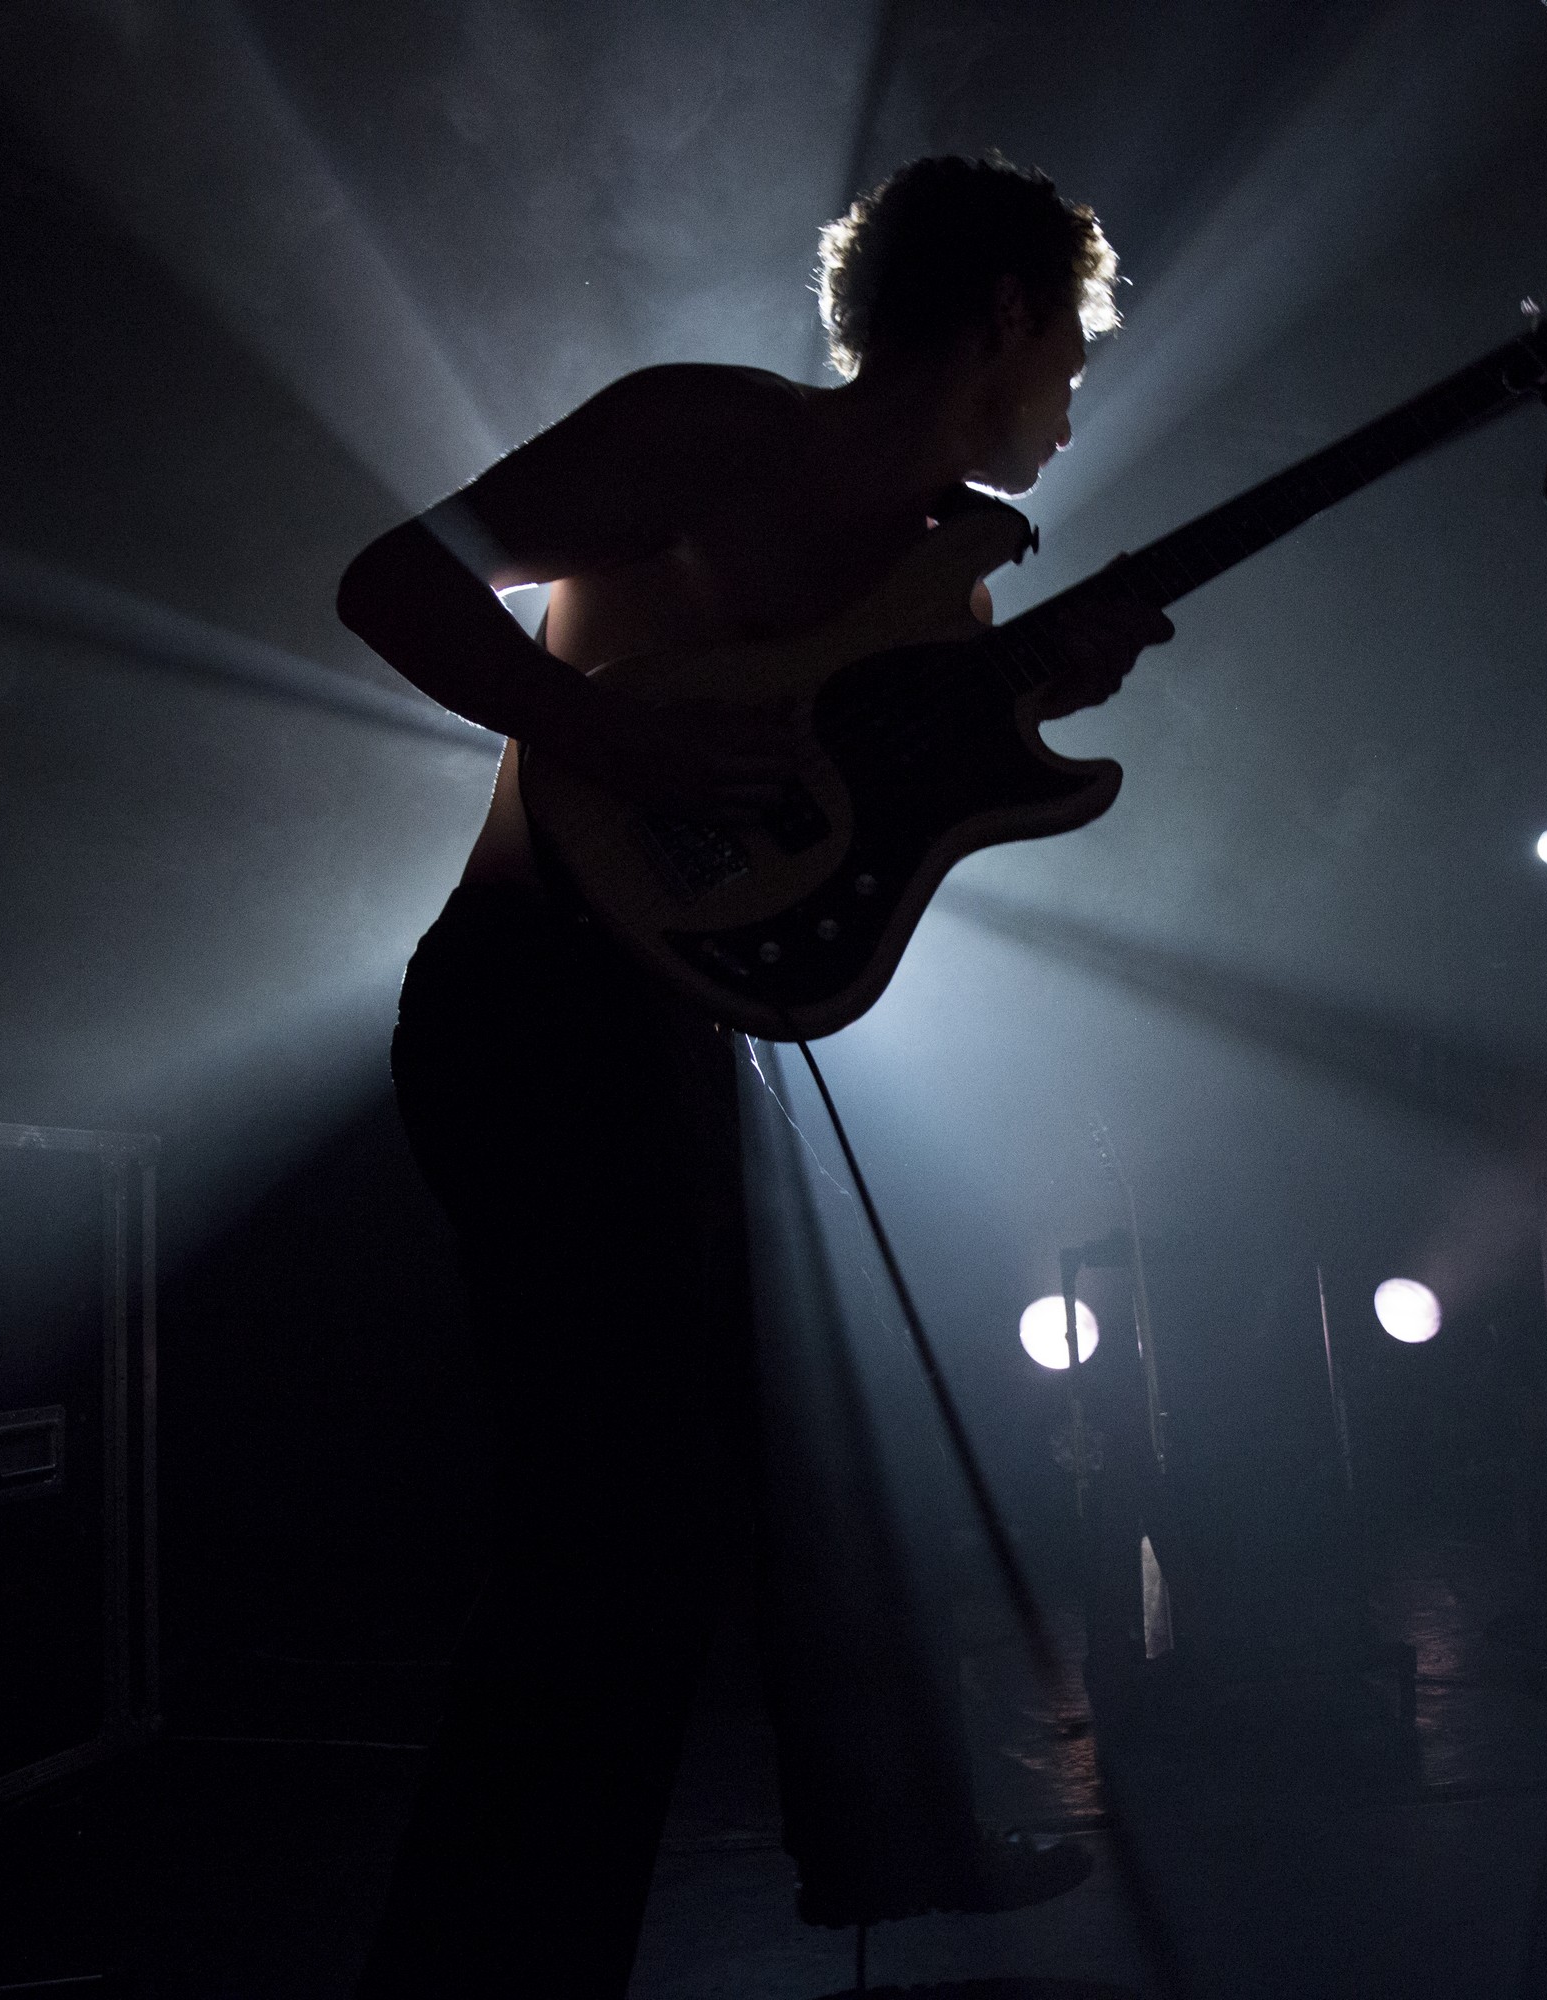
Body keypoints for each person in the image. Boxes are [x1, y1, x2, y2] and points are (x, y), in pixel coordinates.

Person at [333, 155, 1173, 1995]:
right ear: (1010, 315)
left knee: (789, 1454)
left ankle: (885, 1842)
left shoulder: (939, 580)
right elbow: (395, 578)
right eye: (1072, 352)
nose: (1072, 394)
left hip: (667, 1030)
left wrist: (1036, 709)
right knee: (609, 1534)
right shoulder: (705, 433)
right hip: (530, 1003)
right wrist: (600, 733)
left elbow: (855, 841)